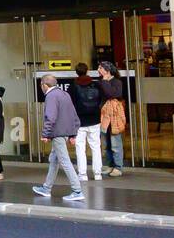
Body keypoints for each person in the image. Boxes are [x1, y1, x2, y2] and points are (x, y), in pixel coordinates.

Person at [33, 74, 84, 202]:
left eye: (41, 85)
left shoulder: (51, 96)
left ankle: (77, 190)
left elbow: (50, 117)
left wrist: (45, 134)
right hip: (65, 133)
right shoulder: (64, 94)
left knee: (64, 161)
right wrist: (73, 133)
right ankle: (46, 188)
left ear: (45, 85)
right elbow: (73, 115)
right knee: (54, 160)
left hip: (57, 134)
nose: (41, 88)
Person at [68, 63, 104, 182]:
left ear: (76, 72)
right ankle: (98, 173)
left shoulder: (73, 86)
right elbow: (101, 100)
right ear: (87, 71)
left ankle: (83, 174)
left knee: (80, 148)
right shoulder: (96, 84)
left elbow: (70, 104)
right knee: (95, 147)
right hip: (94, 120)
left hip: (80, 122)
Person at [96, 62, 126, 177]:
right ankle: (110, 165)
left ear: (107, 70)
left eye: (100, 68)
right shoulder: (100, 82)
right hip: (104, 116)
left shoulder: (116, 82)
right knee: (106, 143)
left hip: (114, 116)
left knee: (115, 143)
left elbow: (111, 94)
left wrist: (104, 81)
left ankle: (118, 167)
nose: (98, 70)